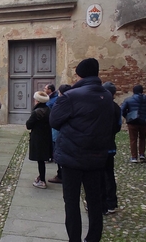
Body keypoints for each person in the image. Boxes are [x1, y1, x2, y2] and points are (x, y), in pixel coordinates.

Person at [50, 58, 114, 242]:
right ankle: (93, 238)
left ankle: (75, 239)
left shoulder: (72, 96)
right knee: (94, 201)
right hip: (97, 156)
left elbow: (54, 121)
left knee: (71, 202)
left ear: (80, 74)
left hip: (72, 156)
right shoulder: (107, 96)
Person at [101, 81, 121, 214]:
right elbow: (118, 126)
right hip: (110, 145)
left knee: (100, 176)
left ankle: (103, 204)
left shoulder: (101, 106)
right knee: (109, 175)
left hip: (100, 146)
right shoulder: (116, 107)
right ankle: (111, 203)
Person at [26, 91, 53, 189]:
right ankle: (41, 177)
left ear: (37, 101)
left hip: (38, 138)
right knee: (42, 159)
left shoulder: (36, 112)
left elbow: (29, 125)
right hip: (46, 137)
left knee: (40, 160)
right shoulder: (48, 110)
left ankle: (42, 180)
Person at [120, 84, 146, 163]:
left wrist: (128, 117)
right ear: (142, 91)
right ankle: (142, 154)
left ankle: (134, 157)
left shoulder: (128, 100)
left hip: (133, 122)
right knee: (142, 138)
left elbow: (122, 110)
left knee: (133, 139)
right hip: (144, 121)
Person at [48, 84, 72, 184]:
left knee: (59, 153)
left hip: (59, 133)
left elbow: (55, 119)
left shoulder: (60, 102)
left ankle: (61, 175)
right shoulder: (74, 102)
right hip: (69, 134)